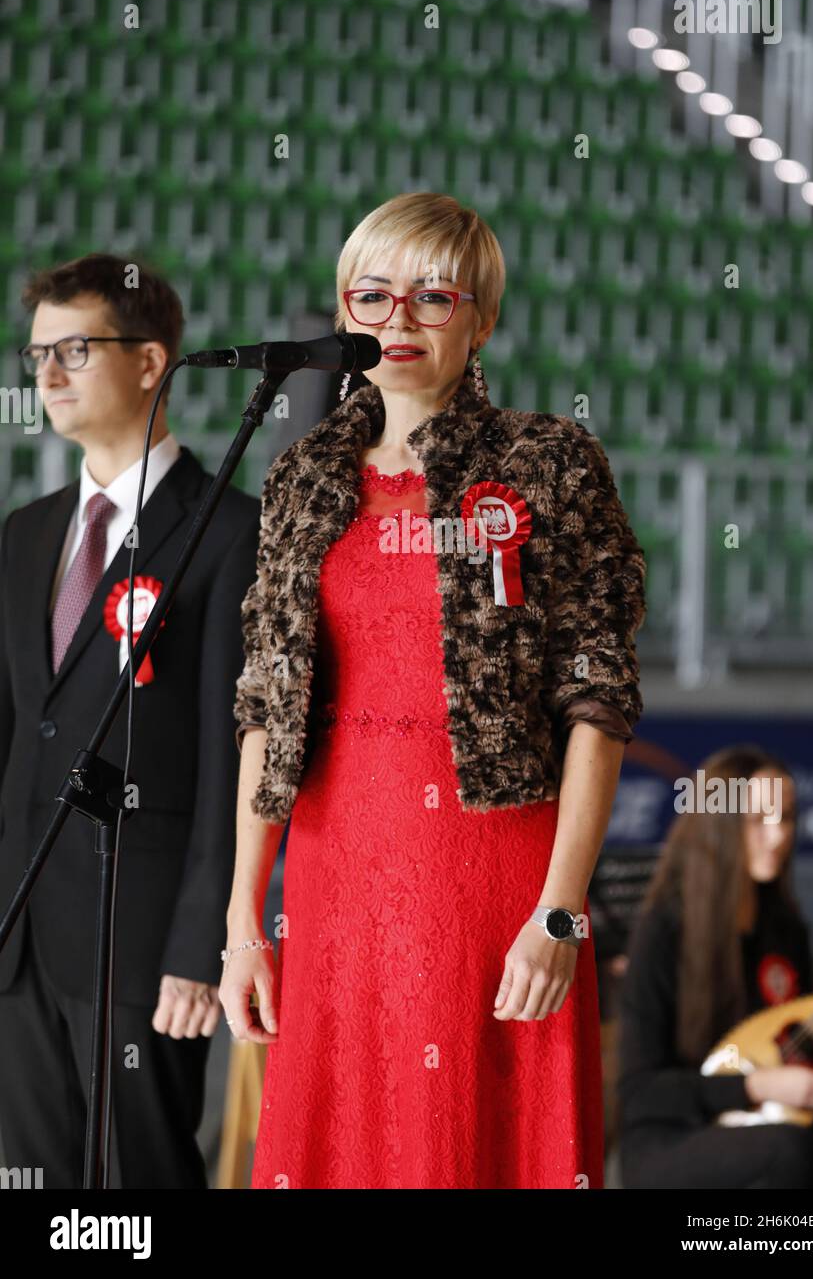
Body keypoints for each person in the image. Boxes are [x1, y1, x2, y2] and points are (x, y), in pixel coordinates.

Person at [221, 191, 647, 1189]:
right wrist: (245, 921)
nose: (396, 320)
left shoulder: (547, 461)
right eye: (371, 296)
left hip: (494, 868)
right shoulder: (297, 477)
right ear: (342, 314)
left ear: (480, 319)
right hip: (332, 878)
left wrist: (559, 911)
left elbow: (598, 700)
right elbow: (262, 704)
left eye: (430, 296)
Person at [0, 253, 259, 1187]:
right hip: (20, 936)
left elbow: (238, 764)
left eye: (75, 349)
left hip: (140, 941)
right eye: (37, 357)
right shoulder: (26, 533)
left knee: (140, 1188)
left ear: (152, 363)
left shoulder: (230, 531)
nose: (50, 376)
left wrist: (202, 946)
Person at [617, 744, 813, 1189]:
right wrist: (756, 1087)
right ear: (719, 826)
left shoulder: (785, 928)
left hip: (766, 1121)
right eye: (759, 821)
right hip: (672, 1139)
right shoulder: (665, 930)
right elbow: (640, 1094)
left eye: (786, 817)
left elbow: (793, 1040)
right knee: (790, 1151)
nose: (778, 836)